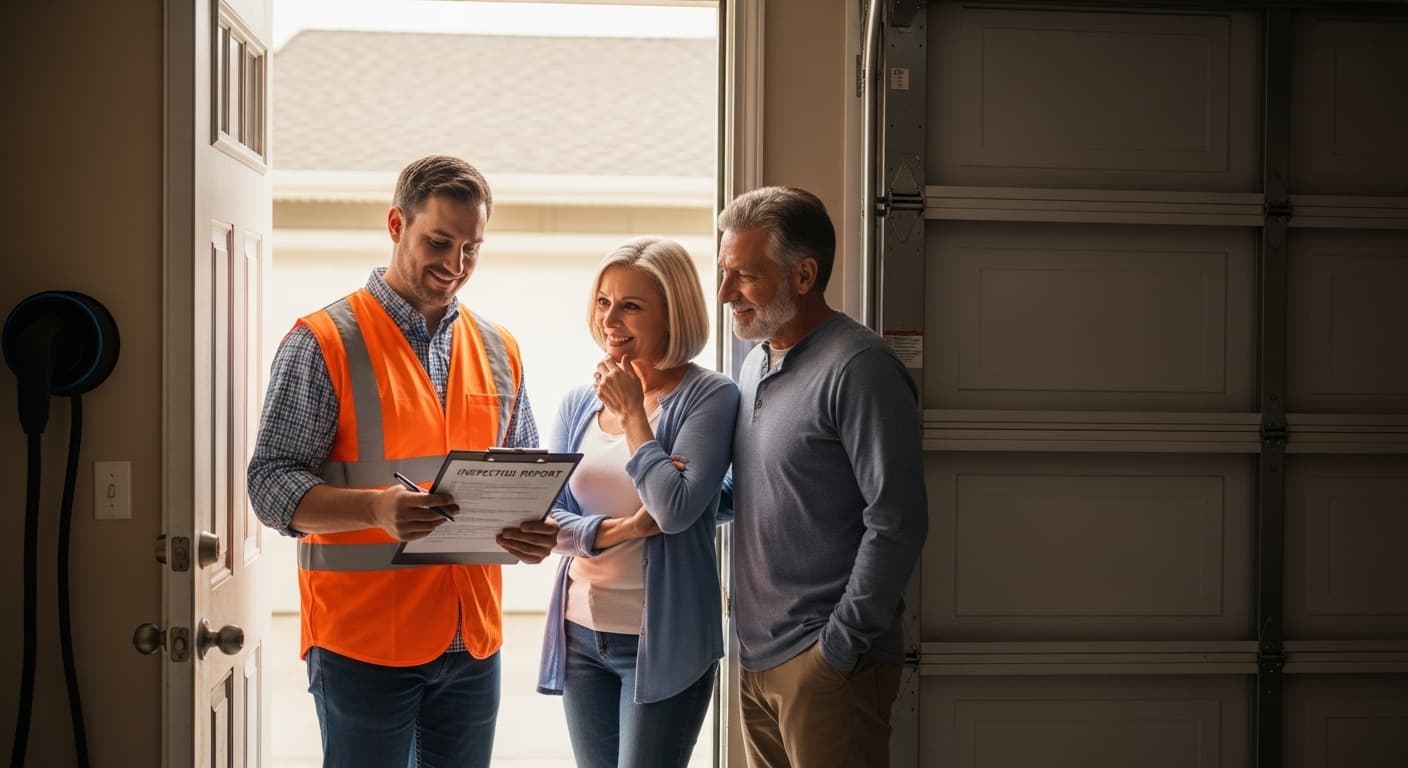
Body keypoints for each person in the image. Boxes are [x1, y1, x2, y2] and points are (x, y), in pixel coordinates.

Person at [247, 154, 558, 768]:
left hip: (472, 645)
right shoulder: (323, 341)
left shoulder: (501, 348)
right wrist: (377, 510)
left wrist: (532, 532)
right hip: (362, 644)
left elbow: (522, 477)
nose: (456, 265)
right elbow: (269, 485)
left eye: (472, 248)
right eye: (439, 242)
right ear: (396, 224)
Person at [716, 186, 929, 768]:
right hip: (754, 660)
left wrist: (836, 650)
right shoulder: (755, 362)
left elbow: (898, 521)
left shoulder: (860, 368)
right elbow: (759, 493)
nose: (725, 293)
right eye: (723, 272)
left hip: (827, 665)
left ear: (804, 276)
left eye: (745, 276)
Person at [536, 237, 739, 768]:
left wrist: (633, 417)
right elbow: (544, 516)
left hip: (663, 641)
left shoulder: (709, 396)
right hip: (581, 635)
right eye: (604, 301)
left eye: (630, 305)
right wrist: (621, 529)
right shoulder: (579, 402)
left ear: (672, 316)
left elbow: (672, 511)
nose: (611, 318)